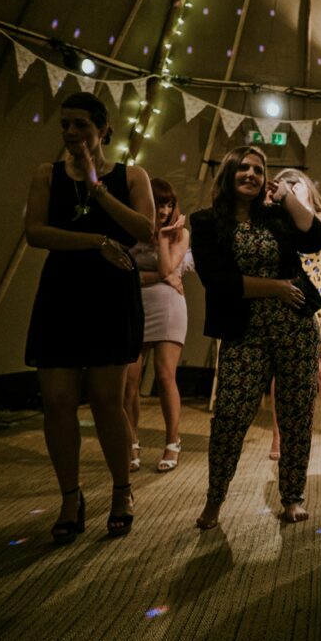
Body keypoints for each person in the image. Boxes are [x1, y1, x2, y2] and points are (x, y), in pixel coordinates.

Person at [24, 91, 154, 543]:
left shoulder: (132, 176)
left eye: (80, 125)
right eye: (65, 125)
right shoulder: (47, 174)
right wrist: (96, 241)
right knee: (57, 401)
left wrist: (98, 187)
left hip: (110, 294)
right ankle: (69, 497)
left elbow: (144, 230)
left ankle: (121, 491)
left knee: (105, 399)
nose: (71, 134)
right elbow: (35, 232)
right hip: (61, 292)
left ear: (104, 132)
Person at [190, 146, 321, 527]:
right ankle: (215, 498)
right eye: (243, 168)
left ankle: (292, 498)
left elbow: (317, 238)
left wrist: (286, 196)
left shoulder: (276, 217)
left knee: (296, 415)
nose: (251, 174)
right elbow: (217, 282)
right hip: (243, 331)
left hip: (294, 329)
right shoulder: (204, 222)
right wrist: (275, 288)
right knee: (231, 415)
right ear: (229, 173)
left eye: (258, 169)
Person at [267, 168, 321, 462]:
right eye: (284, 185)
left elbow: (318, 237)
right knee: (280, 369)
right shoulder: (276, 219)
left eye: (295, 184)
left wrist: (293, 200)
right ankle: (278, 433)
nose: (289, 188)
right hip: (287, 291)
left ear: (307, 188)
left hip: (317, 295)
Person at [123, 178, 190, 473]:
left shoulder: (180, 235)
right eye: (158, 204)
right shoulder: (129, 231)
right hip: (132, 306)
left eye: (168, 204)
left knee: (165, 377)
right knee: (130, 381)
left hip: (167, 307)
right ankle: (131, 443)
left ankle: (172, 441)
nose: (163, 210)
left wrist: (163, 238)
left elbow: (167, 268)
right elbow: (125, 275)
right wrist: (161, 277)